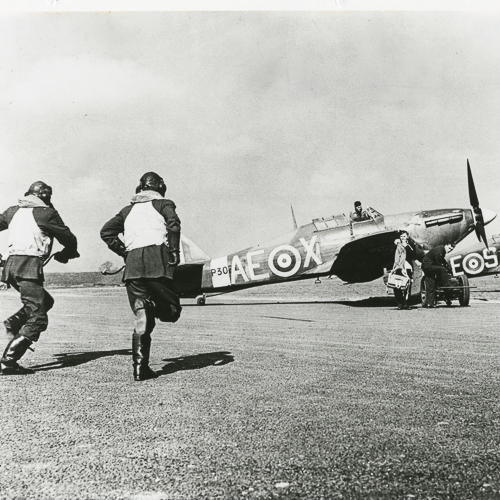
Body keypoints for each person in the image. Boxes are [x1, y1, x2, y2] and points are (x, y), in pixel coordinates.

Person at [100, 172, 182, 381]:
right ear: (160, 187)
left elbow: (106, 232)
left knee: (142, 315)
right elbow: (173, 225)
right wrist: (173, 252)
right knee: (172, 311)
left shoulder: (127, 210)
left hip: (134, 268)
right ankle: (150, 307)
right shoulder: (164, 204)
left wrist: (125, 252)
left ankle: (140, 369)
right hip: (158, 263)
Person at [0, 181, 79, 375]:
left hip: (10, 267)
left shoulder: (12, 211)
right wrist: (68, 252)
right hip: (27, 267)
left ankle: (14, 323)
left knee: (46, 300)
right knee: (38, 317)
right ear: (45, 196)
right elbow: (68, 238)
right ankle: (8, 362)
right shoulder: (46, 213)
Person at [421, 243, 455, 308]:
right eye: (449, 248)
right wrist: (446, 268)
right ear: (446, 245)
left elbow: (442, 260)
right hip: (428, 265)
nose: (450, 250)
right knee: (442, 269)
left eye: (452, 249)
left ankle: (429, 303)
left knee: (431, 284)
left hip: (427, 266)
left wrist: (448, 266)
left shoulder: (441, 250)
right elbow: (438, 262)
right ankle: (446, 286)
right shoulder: (440, 250)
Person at [391, 230, 416, 310]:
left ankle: (406, 303)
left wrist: (407, 247)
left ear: (407, 237)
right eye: (401, 236)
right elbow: (393, 254)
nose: (403, 238)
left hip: (407, 267)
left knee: (407, 285)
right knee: (397, 285)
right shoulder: (397, 245)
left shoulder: (411, 244)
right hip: (398, 266)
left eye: (404, 236)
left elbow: (413, 255)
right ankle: (399, 302)